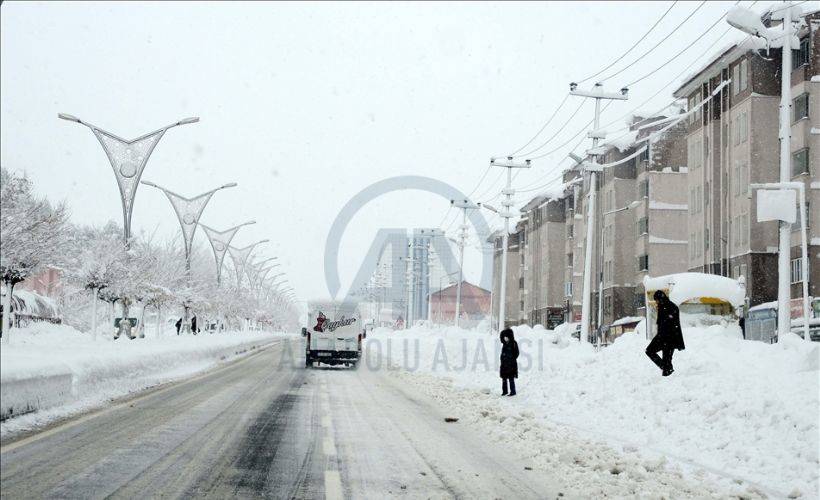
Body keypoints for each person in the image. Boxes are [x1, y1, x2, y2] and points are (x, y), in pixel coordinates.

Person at [645, 290, 685, 376]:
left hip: (670, 339)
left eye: (657, 300)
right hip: (661, 337)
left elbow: (674, 325)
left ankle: (668, 373)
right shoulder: (662, 307)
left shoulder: (672, 307)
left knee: (667, 361)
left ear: (661, 299)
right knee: (649, 351)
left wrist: (674, 340)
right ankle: (666, 367)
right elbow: (661, 324)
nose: (656, 302)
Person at [499, 328, 519, 396]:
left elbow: (517, 353)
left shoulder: (513, 343)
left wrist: (511, 359)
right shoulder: (504, 344)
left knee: (511, 378)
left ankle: (513, 392)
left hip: (511, 364)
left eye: (506, 337)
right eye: (504, 337)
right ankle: (504, 391)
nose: (505, 338)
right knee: (504, 379)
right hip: (504, 364)